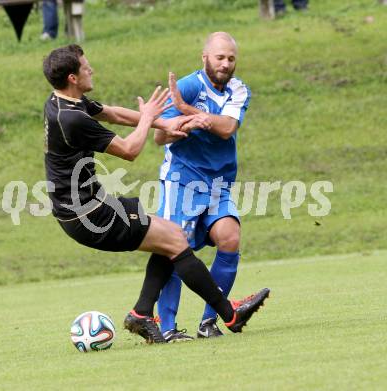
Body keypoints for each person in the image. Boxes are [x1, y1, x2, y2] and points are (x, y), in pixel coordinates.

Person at [42, 44, 270, 344]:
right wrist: (148, 117)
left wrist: (164, 121)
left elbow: (112, 114)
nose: (91, 70)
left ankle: (141, 314)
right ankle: (229, 315)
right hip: (87, 216)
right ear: (73, 77)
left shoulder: (66, 102)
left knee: (169, 235)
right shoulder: (72, 119)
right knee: (175, 241)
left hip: (90, 205)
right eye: (86, 67)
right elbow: (129, 150)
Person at [154, 32, 252, 342]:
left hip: (219, 184)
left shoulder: (238, 89)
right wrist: (184, 121)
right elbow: (160, 136)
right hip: (182, 180)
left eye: (231, 58)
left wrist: (192, 112)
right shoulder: (187, 86)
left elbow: (226, 128)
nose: (225, 64)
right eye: (220, 57)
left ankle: (209, 322)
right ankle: (167, 327)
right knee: (173, 248)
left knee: (230, 237)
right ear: (205, 58)